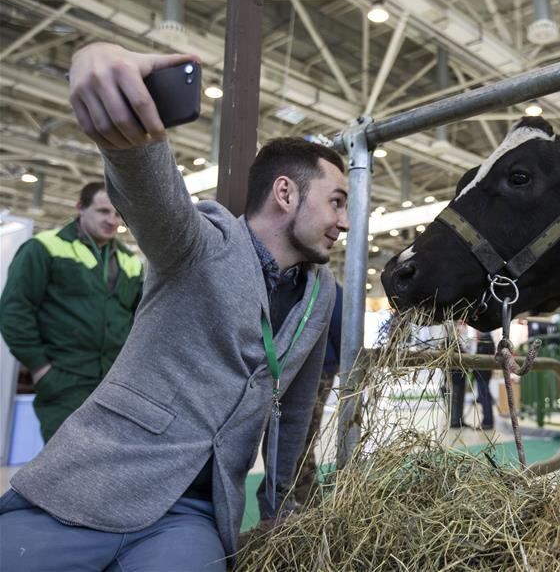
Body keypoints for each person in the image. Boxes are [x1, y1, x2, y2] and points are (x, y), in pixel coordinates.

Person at [0, 42, 349, 571]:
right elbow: (151, 195)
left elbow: (295, 413)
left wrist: (281, 517)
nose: (344, 221)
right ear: (285, 193)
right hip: (95, 480)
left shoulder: (321, 294)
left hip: (193, 516)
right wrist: (112, 89)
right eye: (336, 201)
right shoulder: (201, 243)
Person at [0, 181, 143, 442]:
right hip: (64, 380)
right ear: (80, 207)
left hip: (114, 383)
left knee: (110, 460)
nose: (112, 220)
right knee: (66, 460)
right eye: (103, 211)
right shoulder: (44, 248)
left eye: (117, 214)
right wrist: (40, 367)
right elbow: (14, 310)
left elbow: (140, 321)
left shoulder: (130, 262)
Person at [284, 282, 342, 508]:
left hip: (318, 372)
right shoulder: (297, 283)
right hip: (290, 371)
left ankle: (309, 505)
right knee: (293, 440)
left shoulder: (329, 289)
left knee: (302, 441)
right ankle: (300, 502)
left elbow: (341, 331)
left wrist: (337, 364)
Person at [448, 323, 495, 431]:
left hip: (479, 371)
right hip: (460, 372)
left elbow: (474, 353)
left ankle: (487, 422)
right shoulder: (456, 336)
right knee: (459, 394)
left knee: (483, 393)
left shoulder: (484, 340)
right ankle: (456, 421)